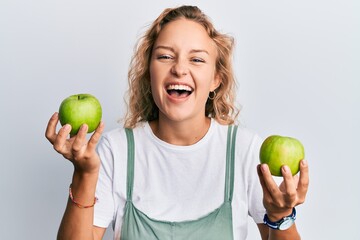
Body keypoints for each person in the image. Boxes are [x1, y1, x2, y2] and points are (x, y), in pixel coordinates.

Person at [45, 5, 309, 240]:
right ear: (149, 72)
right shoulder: (116, 151)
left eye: (196, 59)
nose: (180, 69)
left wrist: (281, 215)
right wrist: (84, 173)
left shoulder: (245, 149)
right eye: (165, 56)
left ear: (216, 78)